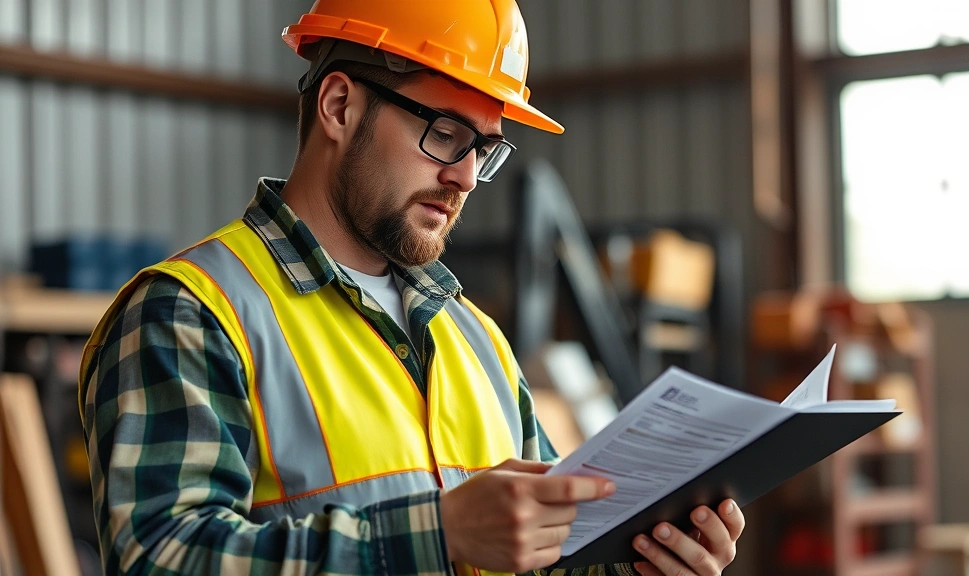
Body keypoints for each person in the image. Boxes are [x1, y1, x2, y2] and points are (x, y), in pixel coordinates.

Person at [78, 1, 745, 575]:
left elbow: (547, 552)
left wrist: (644, 557)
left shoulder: (476, 338)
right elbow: (162, 557)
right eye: (446, 134)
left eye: (482, 149)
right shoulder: (190, 314)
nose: (463, 177)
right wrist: (440, 534)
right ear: (339, 105)